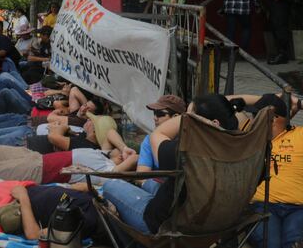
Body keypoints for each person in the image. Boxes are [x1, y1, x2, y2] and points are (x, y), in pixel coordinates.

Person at [102, 94, 244, 235]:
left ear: (213, 123)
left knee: (109, 185)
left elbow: (157, 135)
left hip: (166, 225)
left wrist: (182, 117)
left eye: (189, 118)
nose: (185, 121)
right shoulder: (244, 153)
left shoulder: (185, 152)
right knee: (151, 185)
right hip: (214, 225)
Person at [237, 93, 303, 248]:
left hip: (300, 210)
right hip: (261, 206)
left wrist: (298, 102)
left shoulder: (302, 136)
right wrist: (271, 97)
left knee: (295, 241)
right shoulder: (250, 132)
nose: (251, 119)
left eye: (255, 115)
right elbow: (224, 102)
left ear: (273, 120)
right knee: (272, 244)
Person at [0, 146, 135, 186]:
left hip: (39, 171)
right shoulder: (103, 153)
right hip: (36, 157)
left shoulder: (107, 173)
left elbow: (118, 172)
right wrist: (125, 149)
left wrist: (132, 160)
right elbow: (113, 135)